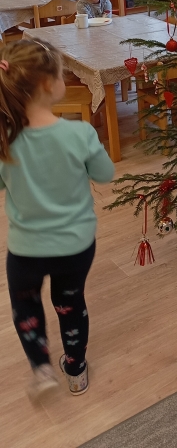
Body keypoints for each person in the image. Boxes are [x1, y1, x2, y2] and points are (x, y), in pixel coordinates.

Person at [0, 40, 114, 399]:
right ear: (50, 84)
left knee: (26, 308)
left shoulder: (5, 141)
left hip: (25, 252)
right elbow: (106, 174)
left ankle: (42, 368)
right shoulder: (80, 133)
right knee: (70, 304)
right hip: (74, 248)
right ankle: (76, 372)